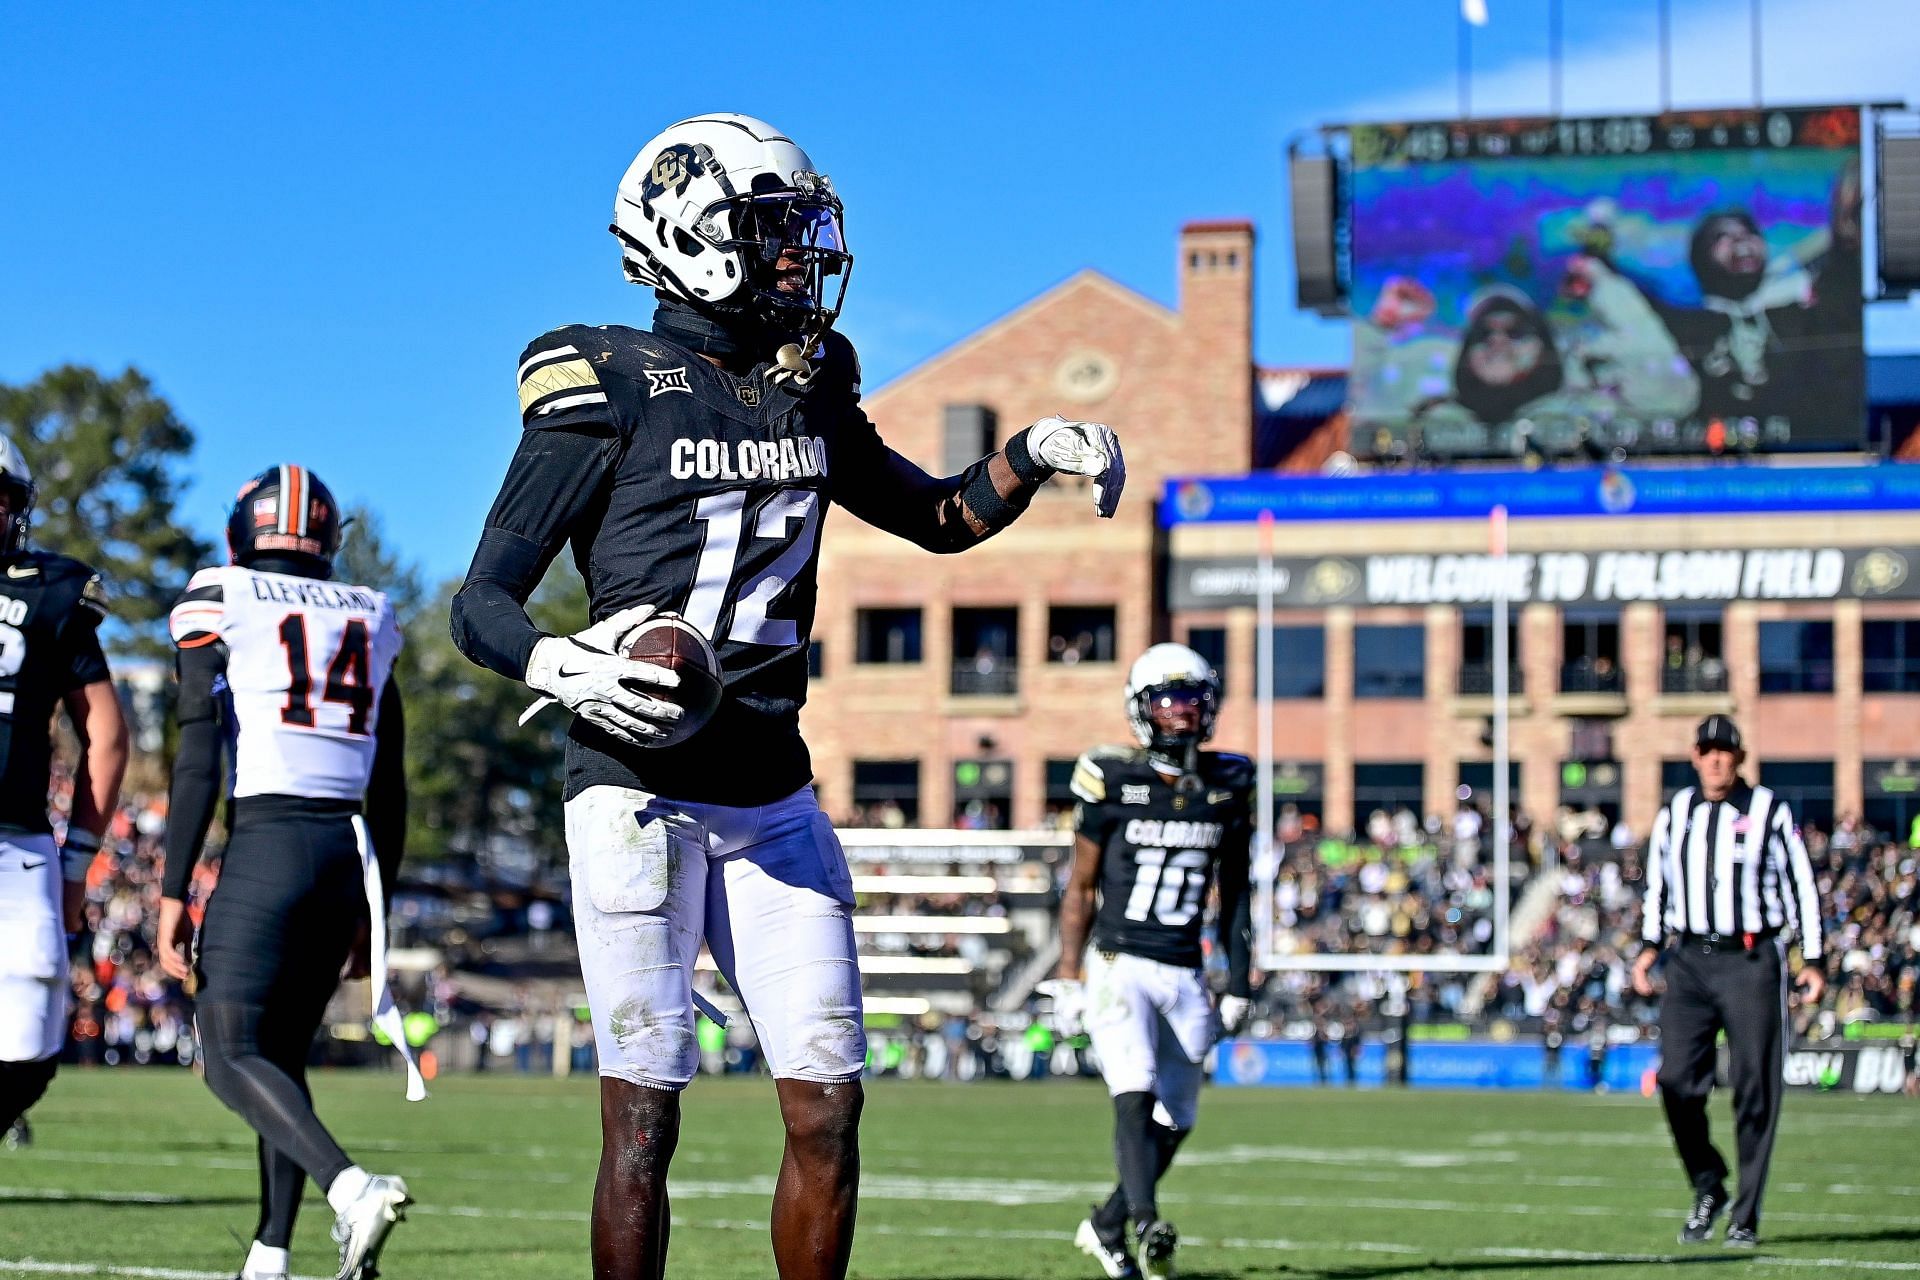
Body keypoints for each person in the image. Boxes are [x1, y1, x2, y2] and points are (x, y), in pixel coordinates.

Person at [448, 112, 1124, 1280]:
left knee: (828, 1108)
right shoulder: (605, 377)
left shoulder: (807, 386)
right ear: (694, 236)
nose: (801, 258)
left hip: (771, 791)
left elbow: (938, 514)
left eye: (803, 232)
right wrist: (571, 665)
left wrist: (1029, 452)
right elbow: (482, 601)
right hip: (637, 791)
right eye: (775, 233)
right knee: (644, 1122)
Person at [158, 466, 415, 1280]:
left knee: (228, 1049)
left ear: (245, 531)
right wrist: (380, 907)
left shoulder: (220, 594)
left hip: (269, 838)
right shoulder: (372, 613)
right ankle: (270, 1255)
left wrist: (171, 889)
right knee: (283, 1056)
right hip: (347, 851)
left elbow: (199, 759)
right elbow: (393, 781)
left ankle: (349, 1187)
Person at [1043, 644, 1252, 1280]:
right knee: (1132, 1090)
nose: (1182, 714)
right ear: (1141, 709)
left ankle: (1107, 1224)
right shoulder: (1110, 777)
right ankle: (1144, 1223)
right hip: (1118, 960)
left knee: (1179, 1116)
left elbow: (1238, 893)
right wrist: (1070, 974)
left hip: (1185, 967)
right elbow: (1080, 887)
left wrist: (1239, 979)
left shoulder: (1231, 781)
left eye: (1193, 700)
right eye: (1167, 700)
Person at [1631, 714, 1825, 1248]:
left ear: (1740, 757)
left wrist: (1814, 957)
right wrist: (1648, 948)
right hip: (1690, 959)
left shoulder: (1768, 810)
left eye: (1725, 751)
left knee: (1755, 1087)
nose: (1715, 759)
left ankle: (1746, 1214)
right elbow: (1658, 883)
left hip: (1750, 957)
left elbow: (1802, 884)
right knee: (1674, 1080)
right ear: (1694, 757)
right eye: (1706, 750)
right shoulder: (1677, 812)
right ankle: (1707, 1182)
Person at [0, 433, 128, 1147]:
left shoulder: (50, 589)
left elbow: (105, 736)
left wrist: (77, 862)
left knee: (33, 1039)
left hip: (16, 845)